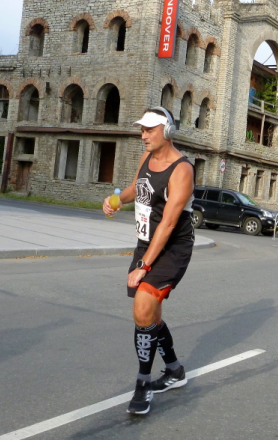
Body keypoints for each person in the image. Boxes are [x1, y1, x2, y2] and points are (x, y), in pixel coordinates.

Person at [103, 106, 195, 415]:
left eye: (150, 129)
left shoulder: (182, 170)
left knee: (143, 307)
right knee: (150, 315)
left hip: (173, 248)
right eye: (142, 129)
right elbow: (136, 189)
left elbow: (168, 224)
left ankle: (143, 384)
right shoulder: (147, 157)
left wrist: (143, 266)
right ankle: (175, 370)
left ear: (166, 131)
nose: (143, 135)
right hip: (146, 242)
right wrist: (117, 199)